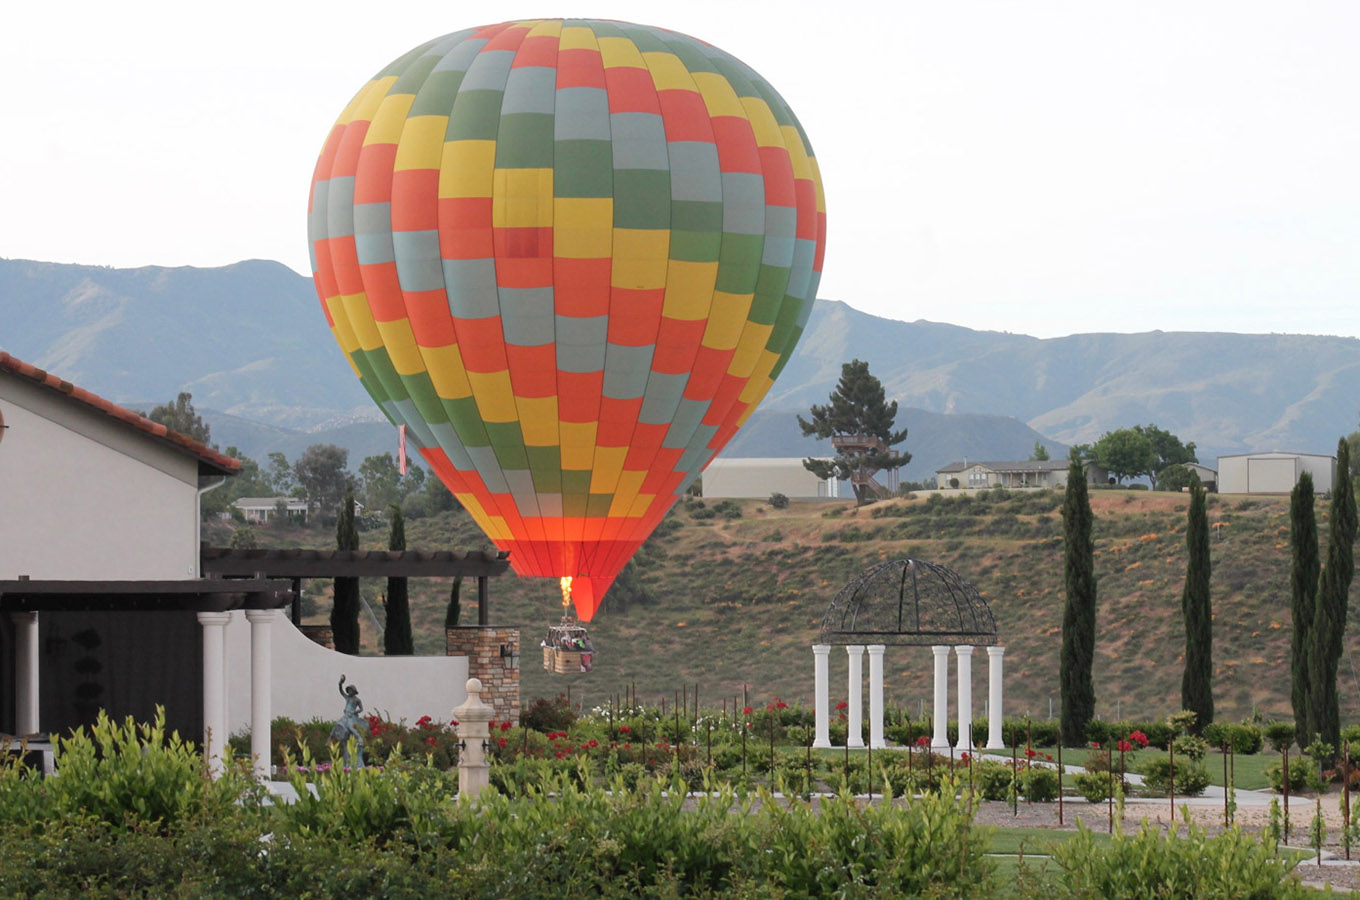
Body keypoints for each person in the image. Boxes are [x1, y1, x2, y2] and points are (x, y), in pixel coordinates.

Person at [329, 675, 366, 768]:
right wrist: (340, 684)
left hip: (351, 716)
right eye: (348, 690)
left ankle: (359, 738)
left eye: (350, 690)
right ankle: (330, 738)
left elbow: (361, 709)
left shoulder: (357, 700)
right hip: (345, 715)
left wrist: (354, 712)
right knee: (337, 725)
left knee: (350, 727)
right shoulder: (347, 698)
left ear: (354, 691)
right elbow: (341, 691)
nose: (349, 692)